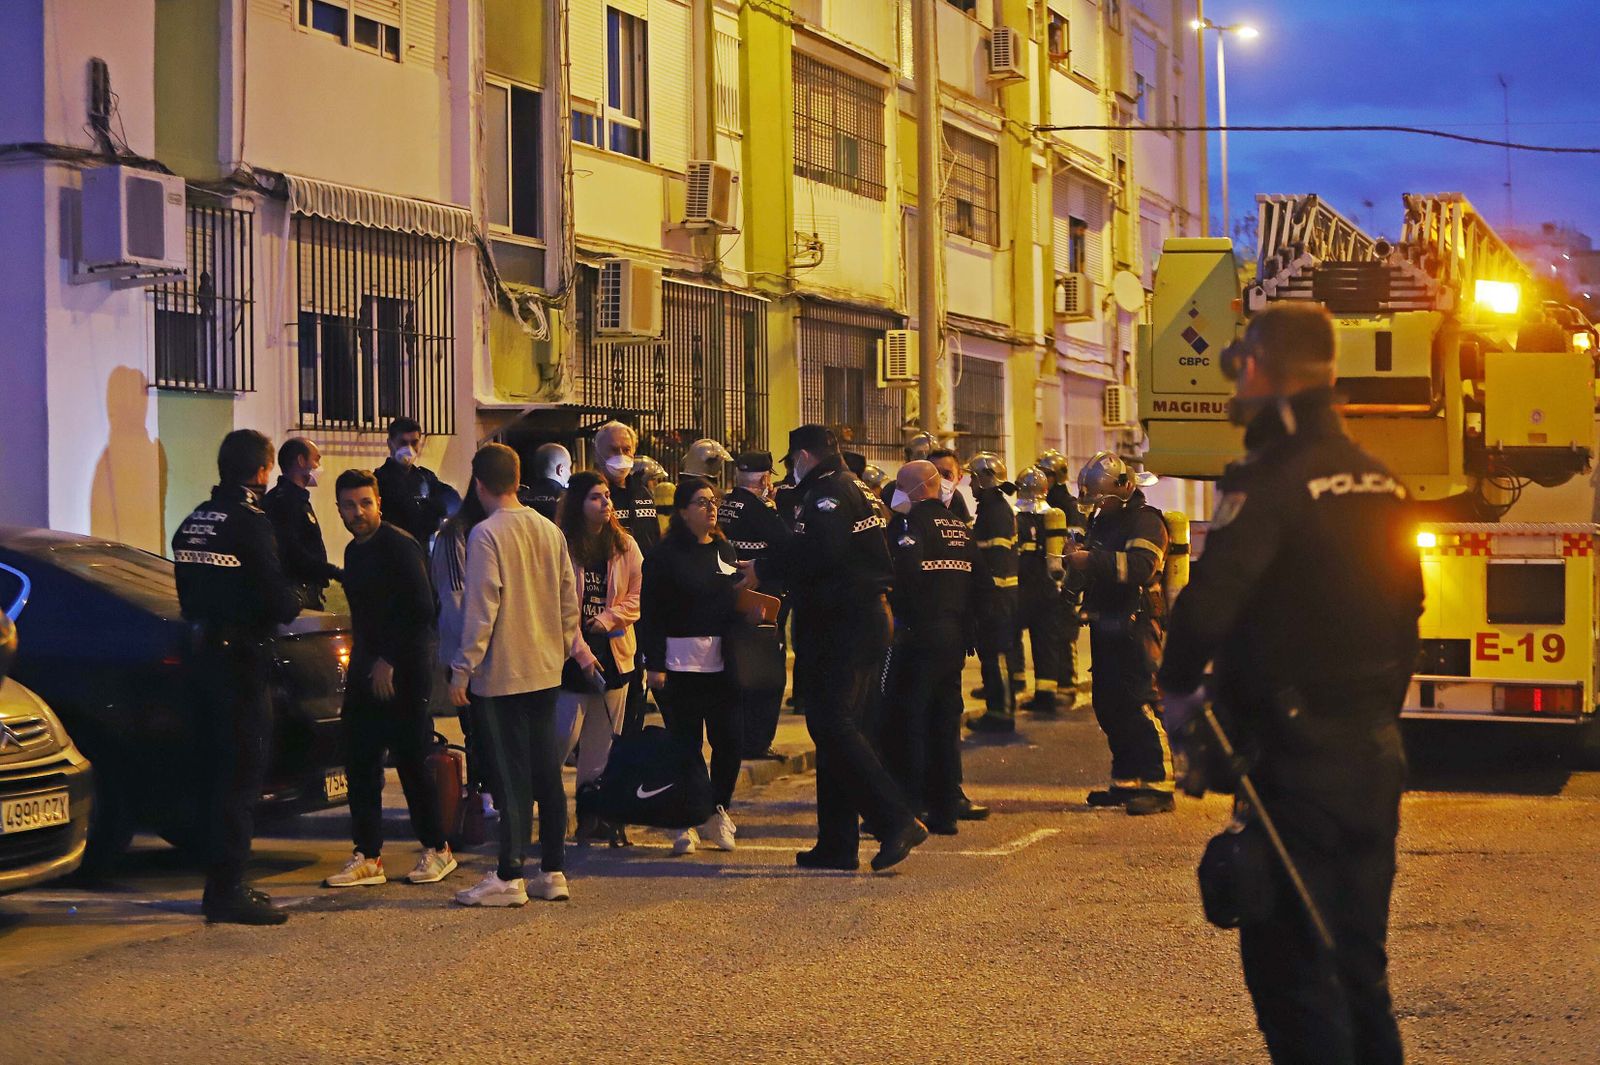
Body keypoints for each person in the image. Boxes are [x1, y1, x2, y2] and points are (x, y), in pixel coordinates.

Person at [1159, 303, 1423, 1065]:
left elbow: (1208, 603)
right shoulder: (1382, 480)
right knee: (1359, 966)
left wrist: (1178, 691)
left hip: (1292, 765)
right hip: (1372, 754)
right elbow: (1410, 608)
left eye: (1241, 366)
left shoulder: (1272, 479)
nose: (1236, 381)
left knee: (1295, 976)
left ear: (1263, 369)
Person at [757, 425, 927, 872]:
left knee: (833, 723)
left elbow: (821, 552)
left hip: (841, 621)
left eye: (792, 460)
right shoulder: (857, 488)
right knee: (837, 727)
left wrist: (763, 567)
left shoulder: (828, 492)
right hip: (860, 618)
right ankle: (837, 842)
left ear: (805, 455)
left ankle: (895, 820)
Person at [172, 429, 302, 925]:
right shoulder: (250, 523)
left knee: (214, 773)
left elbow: (188, 598)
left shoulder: (191, 523)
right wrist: (292, 600)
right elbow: (277, 598)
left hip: (203, 655)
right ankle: (228, 890)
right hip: (244, 662)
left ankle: (220, 882)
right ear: (261, 470)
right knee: (243, 776)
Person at [449, 443, 580, 907]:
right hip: (546, 668)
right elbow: (570, 600)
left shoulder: (486, 534)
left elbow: (482, 606)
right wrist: (565, 648)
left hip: (503, 672)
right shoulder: (549, 530)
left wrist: (463, 668)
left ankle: (509, 874)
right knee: (547, 769)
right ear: (519, 477)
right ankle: (553, 869)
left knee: (511, 775)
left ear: (479, 484)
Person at [324, 470, 455, 889]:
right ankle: (368, 856)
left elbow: (422, 610)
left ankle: (438, 849)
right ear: (339, 508)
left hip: (405, 672)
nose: (358, 512)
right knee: (361, 762)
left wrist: (389, 660)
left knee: (413, 761)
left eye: (365, 503)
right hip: (367, 668)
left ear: (378, 502)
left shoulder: (399, 546)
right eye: (349, 505)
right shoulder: (352, 552)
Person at [640, 477, 757, 855]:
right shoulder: (664, 555)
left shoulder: (725, 548)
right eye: (702, 502)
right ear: (683, 511)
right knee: (686, 745)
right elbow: (651, 614)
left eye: (713, 501)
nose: (711, 508)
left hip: (724, 663)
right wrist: (654, 663)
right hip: (679, 664)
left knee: (729, 741)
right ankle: (686, 819)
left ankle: (717, 809)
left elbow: (733, 598)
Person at [881, 461, 990, 834]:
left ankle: (909, 808)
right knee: (945, 721)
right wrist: (969, 631)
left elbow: (905, 575)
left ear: (914, 489)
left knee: (908, 719)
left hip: (919, 636)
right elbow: (981, 584)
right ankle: (945, 809)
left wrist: (902, 617)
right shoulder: (960, 526)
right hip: (954, 637)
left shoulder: (912, 525)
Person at [1064, 451, 1174, 816]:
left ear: (1124, 488)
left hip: (1136, 623)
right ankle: (1127, 780)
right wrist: (1073, 571)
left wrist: (1091, 560)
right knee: (1108, 703)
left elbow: (1141, 567)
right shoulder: (1104, 521)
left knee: (1139, 700)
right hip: (1107, 620)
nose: (1097, 507)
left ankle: (1159, 785)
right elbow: (1095, 563)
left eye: (1101, 499)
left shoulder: (1146, 522)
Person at [553, 471, 642, 833]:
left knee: (600, 741)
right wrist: (581, 651)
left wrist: (608, 618)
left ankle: (590, 814)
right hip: (569, 656)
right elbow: (557, 607)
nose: (605, 503)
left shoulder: (624, 545)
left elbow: (636, 599)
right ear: (578, 503)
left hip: (615, 651)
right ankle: (540, 806)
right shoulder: (562, 545)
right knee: (562, 736)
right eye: (595, 497)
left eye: (607, 496)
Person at [717, 451, 793, 760]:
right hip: (761, 605)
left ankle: (739, 737)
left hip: (731, 598)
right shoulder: (760, 510)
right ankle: (757, 741)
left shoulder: (725, 504)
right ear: (764, 478)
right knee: (767, 675)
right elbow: (788, 545)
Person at [430, 484, 496, 815]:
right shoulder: (457, 532)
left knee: (494, 729)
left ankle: (492, 791)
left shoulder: (498, 527)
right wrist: (465, 659)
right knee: (477, 729)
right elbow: (456, 597)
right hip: (468, 650)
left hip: (496, 651)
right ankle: (482, 792)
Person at [967, 452, 1024, 732]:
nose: (970, 485)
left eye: (972, 479)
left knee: (997, 655)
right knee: (992, 654)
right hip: (996, 595)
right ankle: (996, 707)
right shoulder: (991, 508)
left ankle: (1001, 714)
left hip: (998, 596)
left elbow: (996, 558)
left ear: (984, 480)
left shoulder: (996, 511)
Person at [1013, 467, 1071, 716]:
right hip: (1049, 589)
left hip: (1022, 588)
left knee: (1011, 637)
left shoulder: (1014, 516)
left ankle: (1014, 684)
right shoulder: (1054, 517)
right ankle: (1046, 695)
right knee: (1046, 643)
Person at [261, 437, 339, 610]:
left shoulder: (295, 498)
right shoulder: (286, 502)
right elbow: (292, 550)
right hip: (296, 594)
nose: (319, 466)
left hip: (303, 591)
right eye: (316, 459)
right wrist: (331, 571)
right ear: (301, 461)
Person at [1035, 450, 1085, 711]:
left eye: (1046, 473)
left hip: (1065, 578)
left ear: (1058, 477)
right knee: (1048, 635)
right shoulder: (1041, 502)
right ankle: (1048, 689)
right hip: (1043, 580)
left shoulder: (1068, 506)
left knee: (1065, 633)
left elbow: (1075, 542)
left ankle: (1068, 686)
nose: (1041, 477)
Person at [374, 416, 457, 547]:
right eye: (403, 443)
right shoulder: (379, 481)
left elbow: (453, 500)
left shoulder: (425, 477)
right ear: (390, 444)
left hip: (423, 556)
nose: (409, 448)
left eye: (414, 443)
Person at [593, 421, 661, 554]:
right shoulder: (592, 495)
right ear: (598, 455)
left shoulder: (643, 492)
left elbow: (654, 536)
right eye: (613, 450)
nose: (621, 455)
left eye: (626, 450)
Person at [519, 442, 571, 521]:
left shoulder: (518, 499)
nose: (570, 473)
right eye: (569, 468)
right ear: (560, 469)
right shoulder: (569, 501)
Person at [926, 448, 974, 523]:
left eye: (947, 475)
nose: (940, 480)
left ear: (959, 478)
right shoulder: (915, 502)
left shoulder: (957, 500)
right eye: (934, 474)